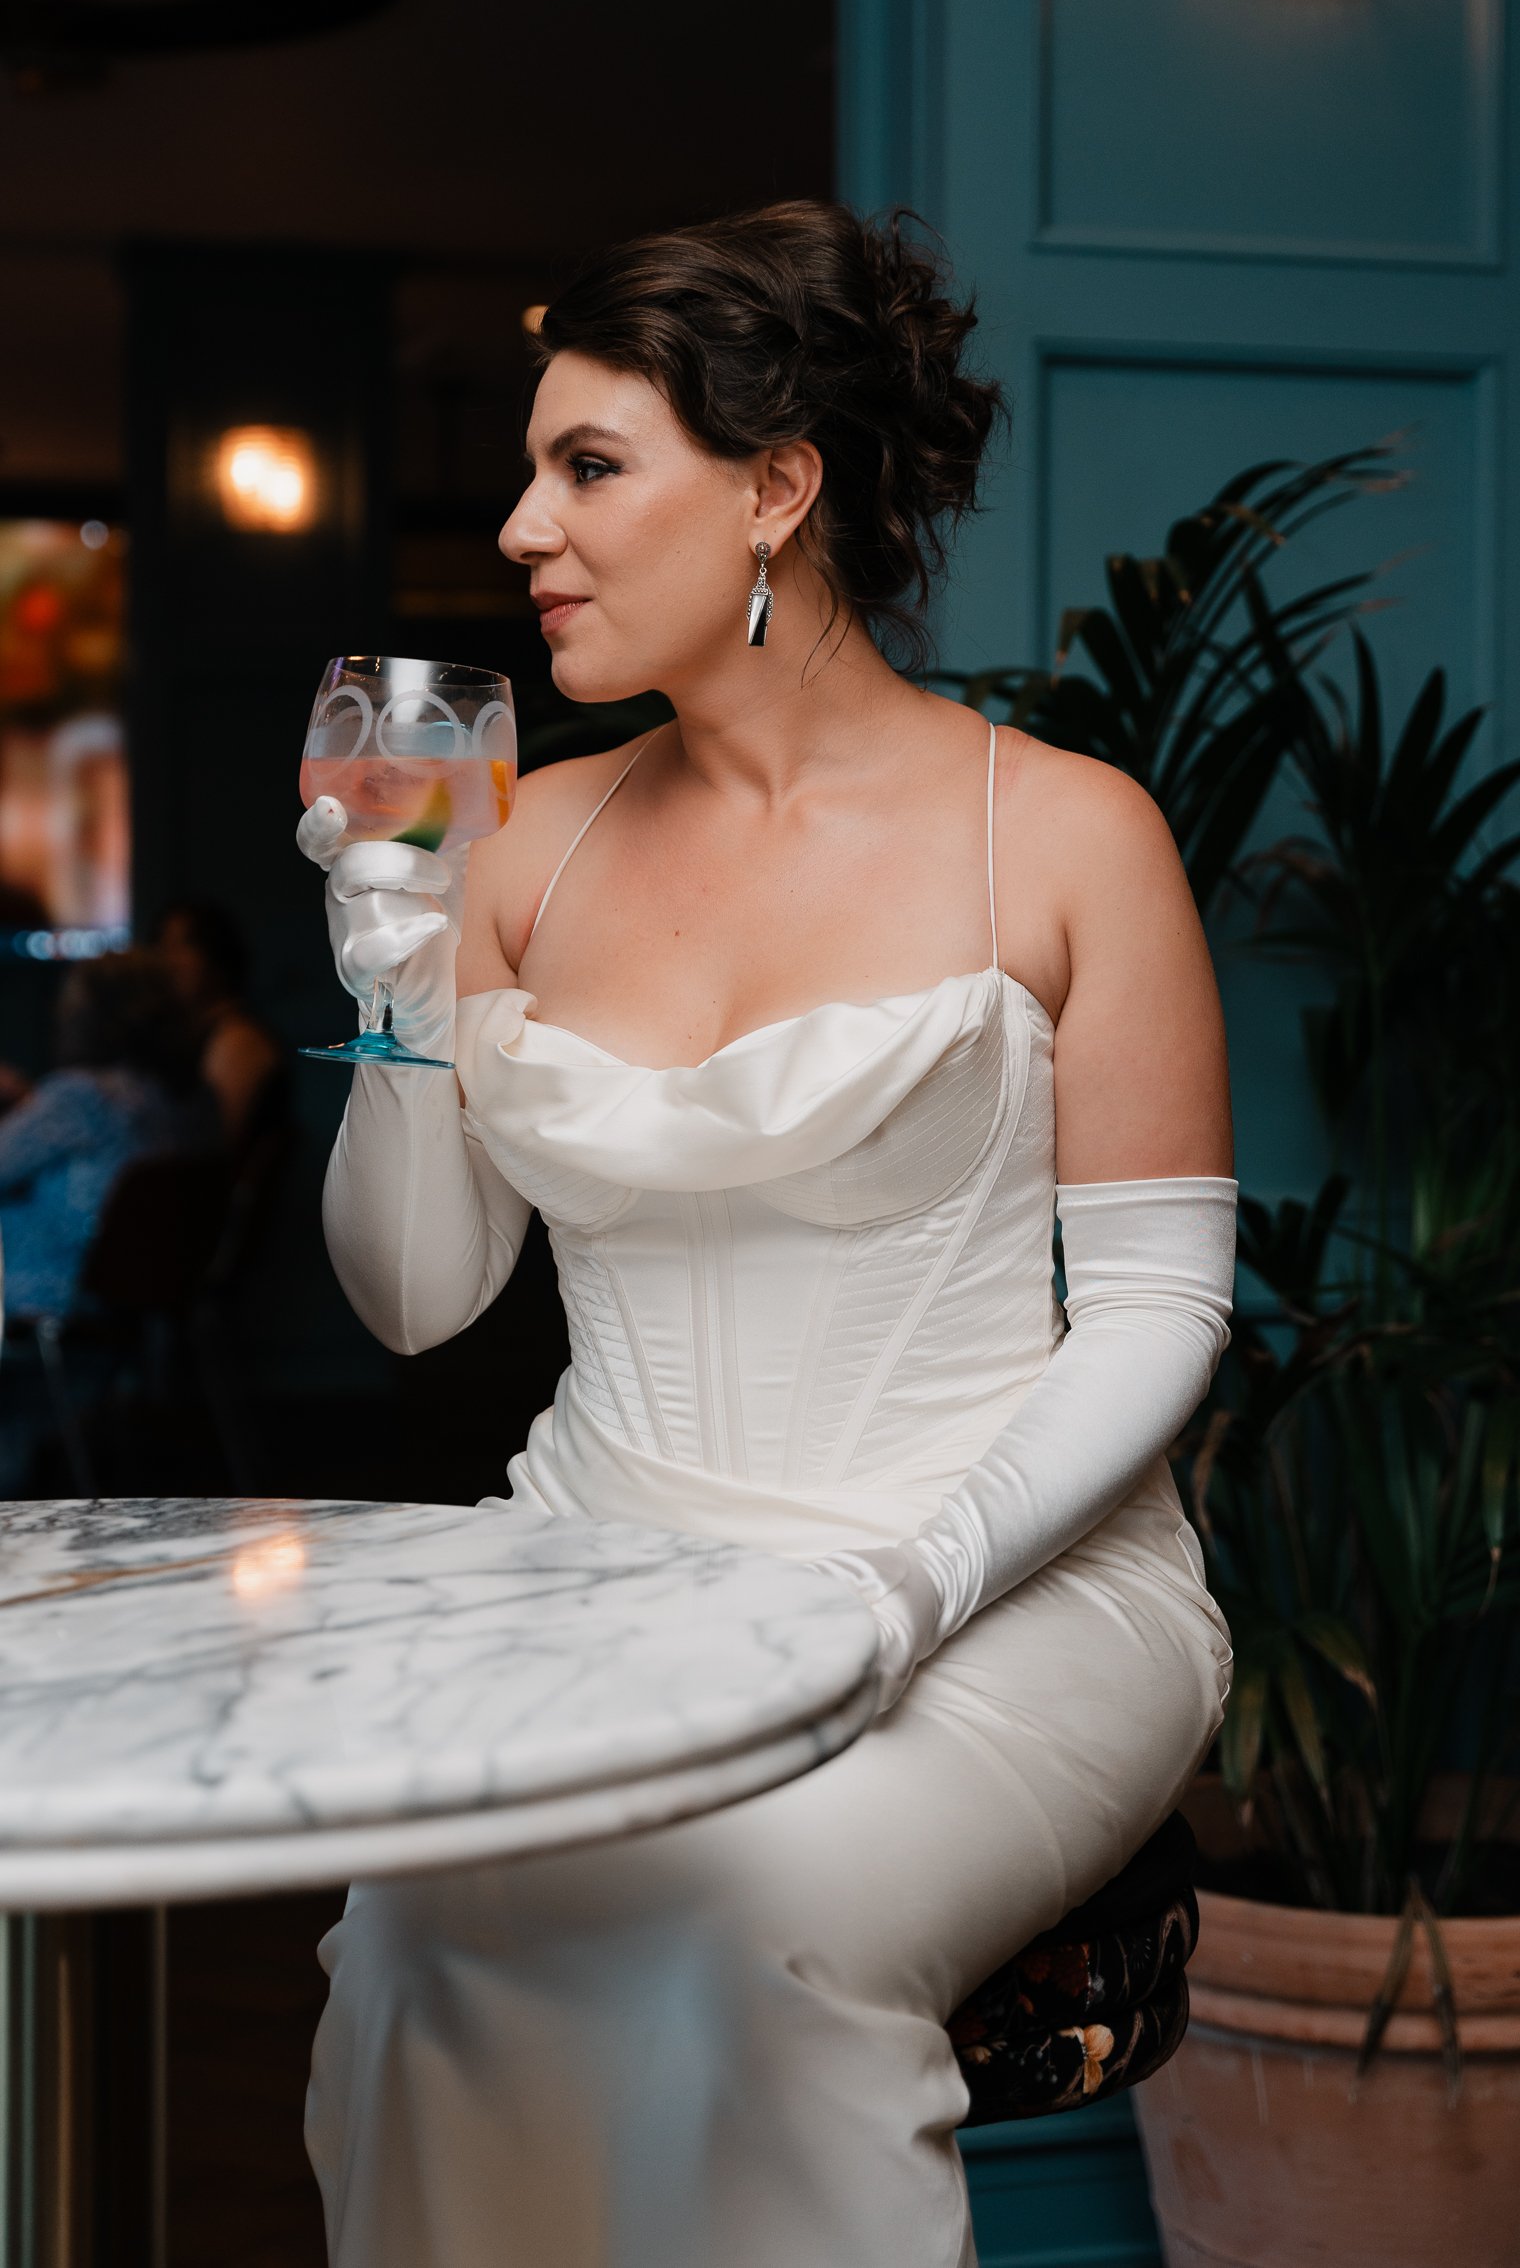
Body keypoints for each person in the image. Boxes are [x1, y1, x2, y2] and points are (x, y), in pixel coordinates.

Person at [298, 201, 1237, 2268]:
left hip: (999, 1585)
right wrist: (396, 984)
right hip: (606, 1559)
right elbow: (419, 1298)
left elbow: (1160, 1313)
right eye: (531, 470)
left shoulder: (1066, 835)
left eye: (588, 465)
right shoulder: (522, 838)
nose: (523, 528)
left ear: (776, 490)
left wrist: (914, 1588)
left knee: (758, 1930)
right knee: (423, 1937)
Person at [0, 948, 216, 1325]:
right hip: (156, 1295)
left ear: (96, 1016)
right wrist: (32, 1101)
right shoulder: (194, 1097)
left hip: (55, 1290)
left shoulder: (78, 1098)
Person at [154, 900, 287, 1152]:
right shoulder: (194, 1030)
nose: (167, 961)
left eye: (183, 946)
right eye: (163, 946)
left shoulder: (239, 1040)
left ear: (217, 956)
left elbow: (214, 1146)